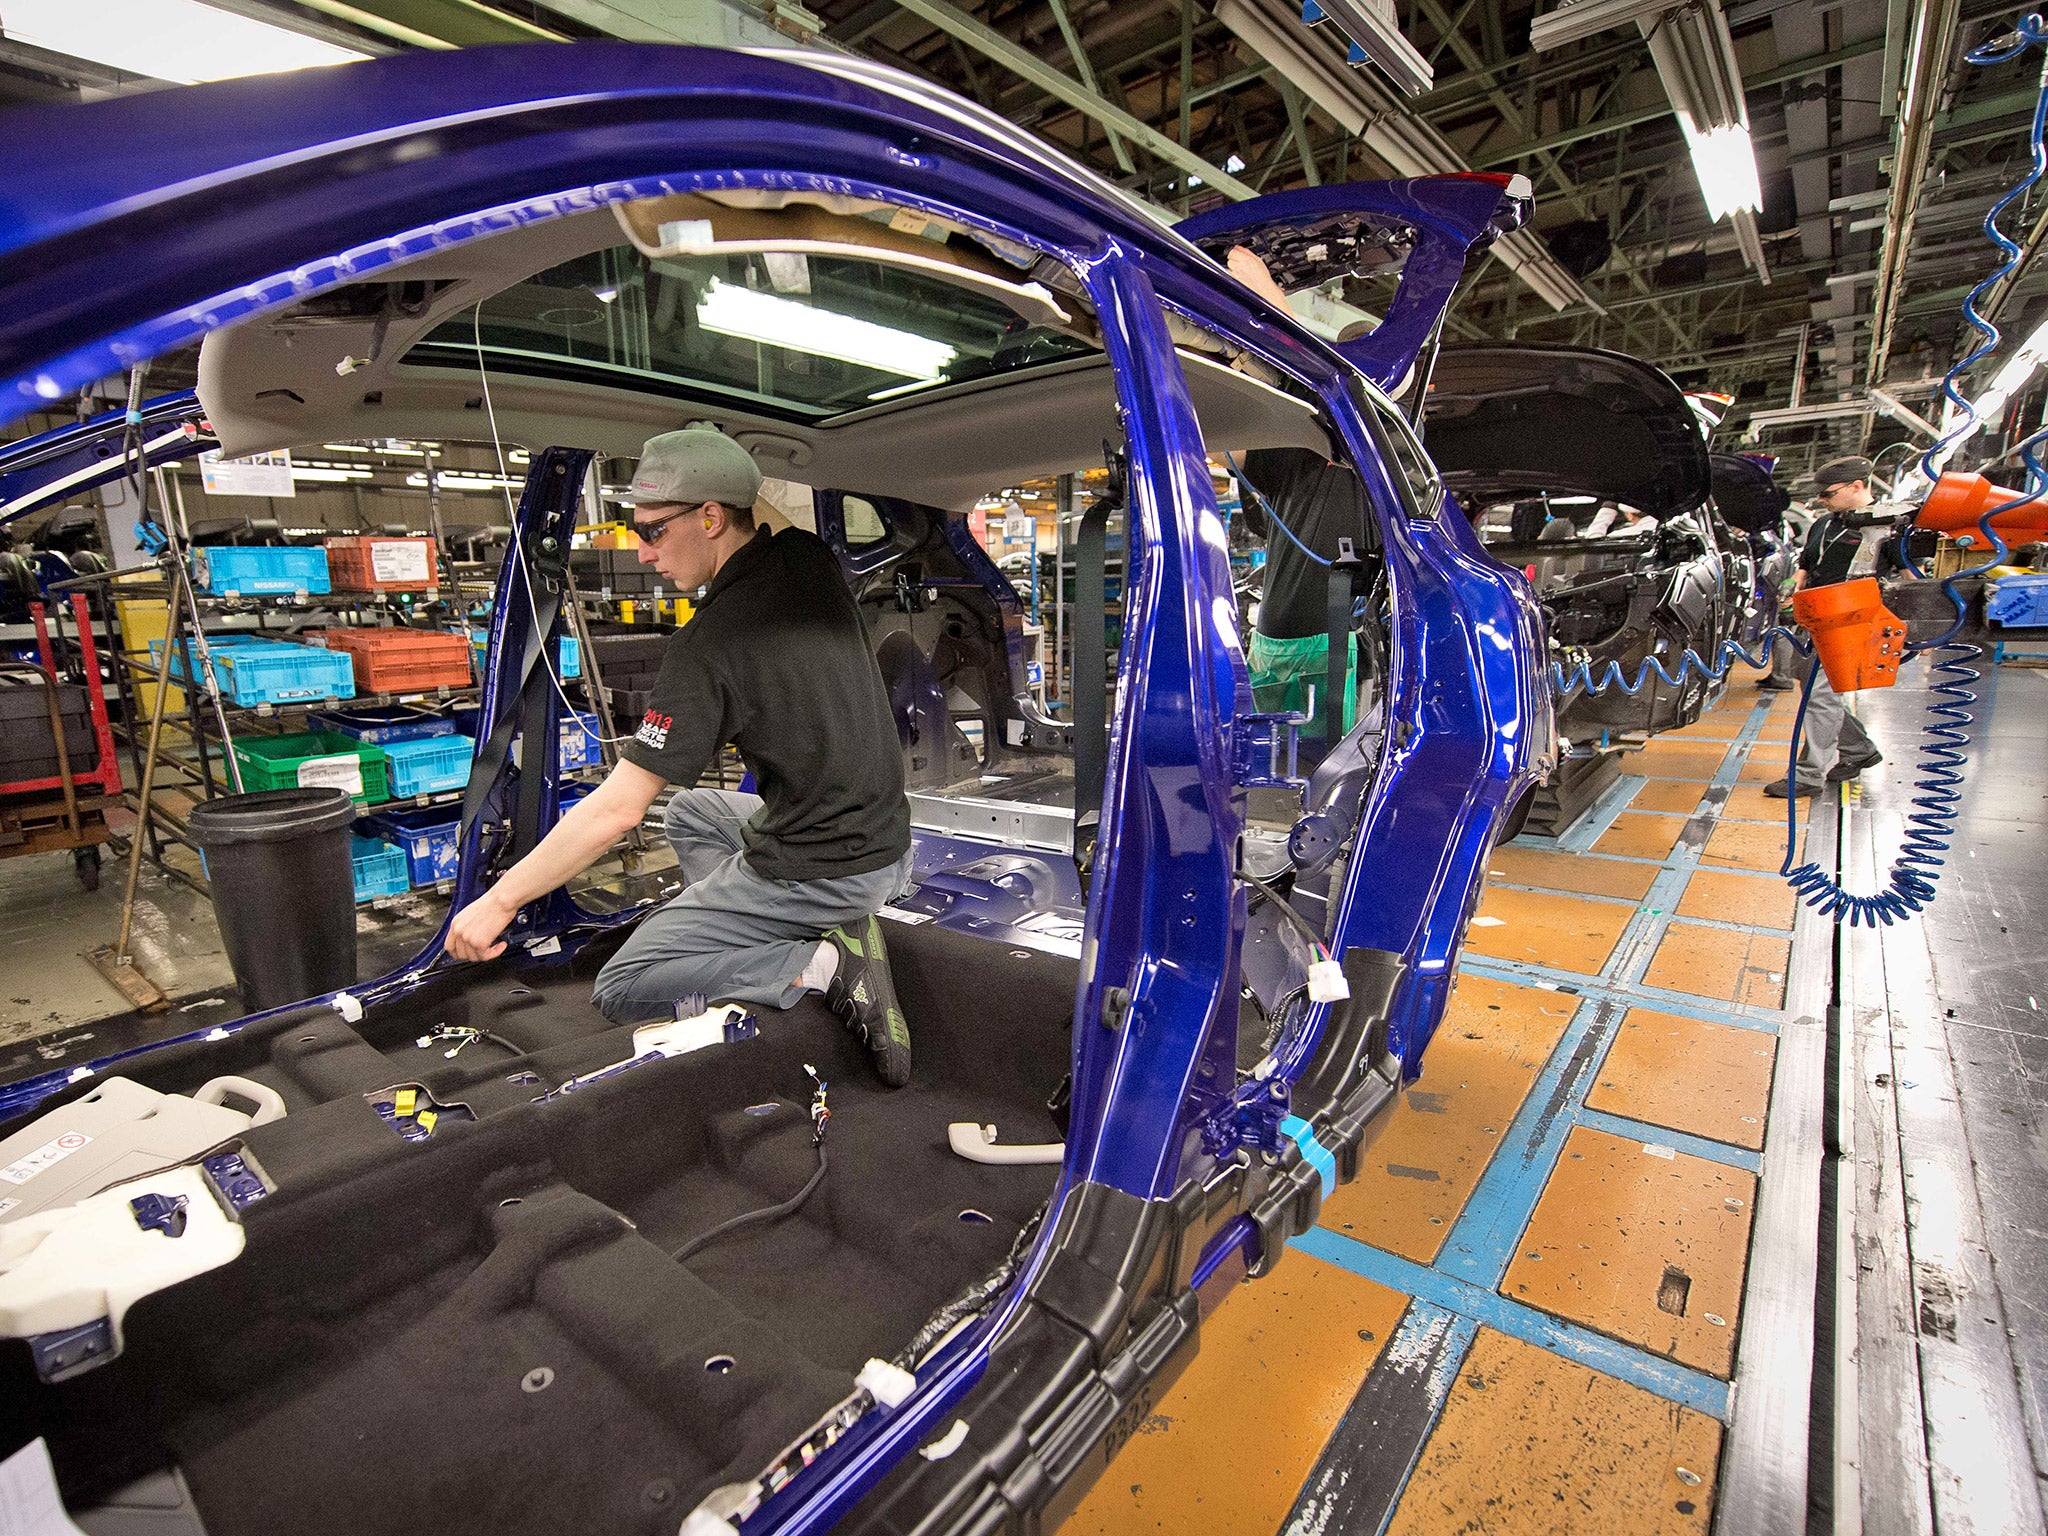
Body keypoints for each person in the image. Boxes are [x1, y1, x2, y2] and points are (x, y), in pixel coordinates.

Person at [445, 427, 918, 1085]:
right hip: (890, 847)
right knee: (692, 812)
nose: (643, 553)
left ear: (711, 517)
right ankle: (757, 938)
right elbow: (765, 515)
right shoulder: (807, 560)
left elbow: (617, 811)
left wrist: (499, 901)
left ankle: (817, 965)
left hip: (826, 867)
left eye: (655, 532)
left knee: (623, 983)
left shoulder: (707, 647)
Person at [1223, 246, 1369, 745]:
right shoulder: (1294, 447)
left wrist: (1270, 299)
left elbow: (1352, 402)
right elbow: (1232, 449)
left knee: (1324, 772)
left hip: (1337, 643)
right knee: (1261, 765)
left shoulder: (1385, 444)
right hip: (1272, 636)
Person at [1764, 455, 1888, 798]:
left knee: (1821, 695)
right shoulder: (1825, 523)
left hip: (1854, 623)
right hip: (1815, 617)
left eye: (1828, 494)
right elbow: (1805, 564)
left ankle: (1808, 774)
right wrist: (1793, 586)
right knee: (1812, 687)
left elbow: (1908, 576)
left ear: (1857, 486)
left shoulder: (1886, 526)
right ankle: (1860, 749)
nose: (1822, 500)